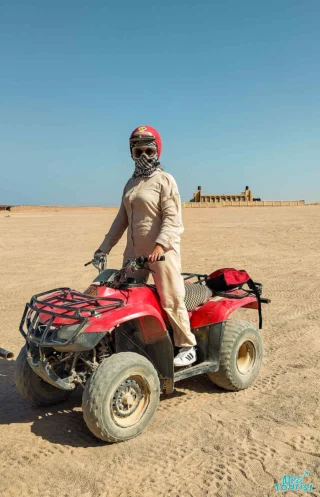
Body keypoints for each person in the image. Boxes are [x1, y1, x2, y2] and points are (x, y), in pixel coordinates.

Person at [94, 125, 197, 367]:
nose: (143, 157)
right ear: (131, 153)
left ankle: (187, 345)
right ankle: (130, 343)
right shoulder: (130, 183)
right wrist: (103, 248)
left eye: (148, 152)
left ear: (157, 152)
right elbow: (121, 220)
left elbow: (173, 219)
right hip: (133, 254)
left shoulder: (164, 180)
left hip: (162, 254)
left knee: (171, 297)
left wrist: (160, 247)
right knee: (124, 296)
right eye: (138, 151)